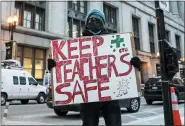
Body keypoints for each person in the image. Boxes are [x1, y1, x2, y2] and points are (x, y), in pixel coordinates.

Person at [47, 9, 141, 126]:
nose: (94, 22)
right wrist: (55, 67)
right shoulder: (78, 44)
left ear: (103, 23)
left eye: (97, 20)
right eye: (91, 20)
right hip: (88, 96)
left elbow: (122, 64)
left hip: (110, 95)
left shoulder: (113, 42)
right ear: (86, 23)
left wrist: (134, 65)